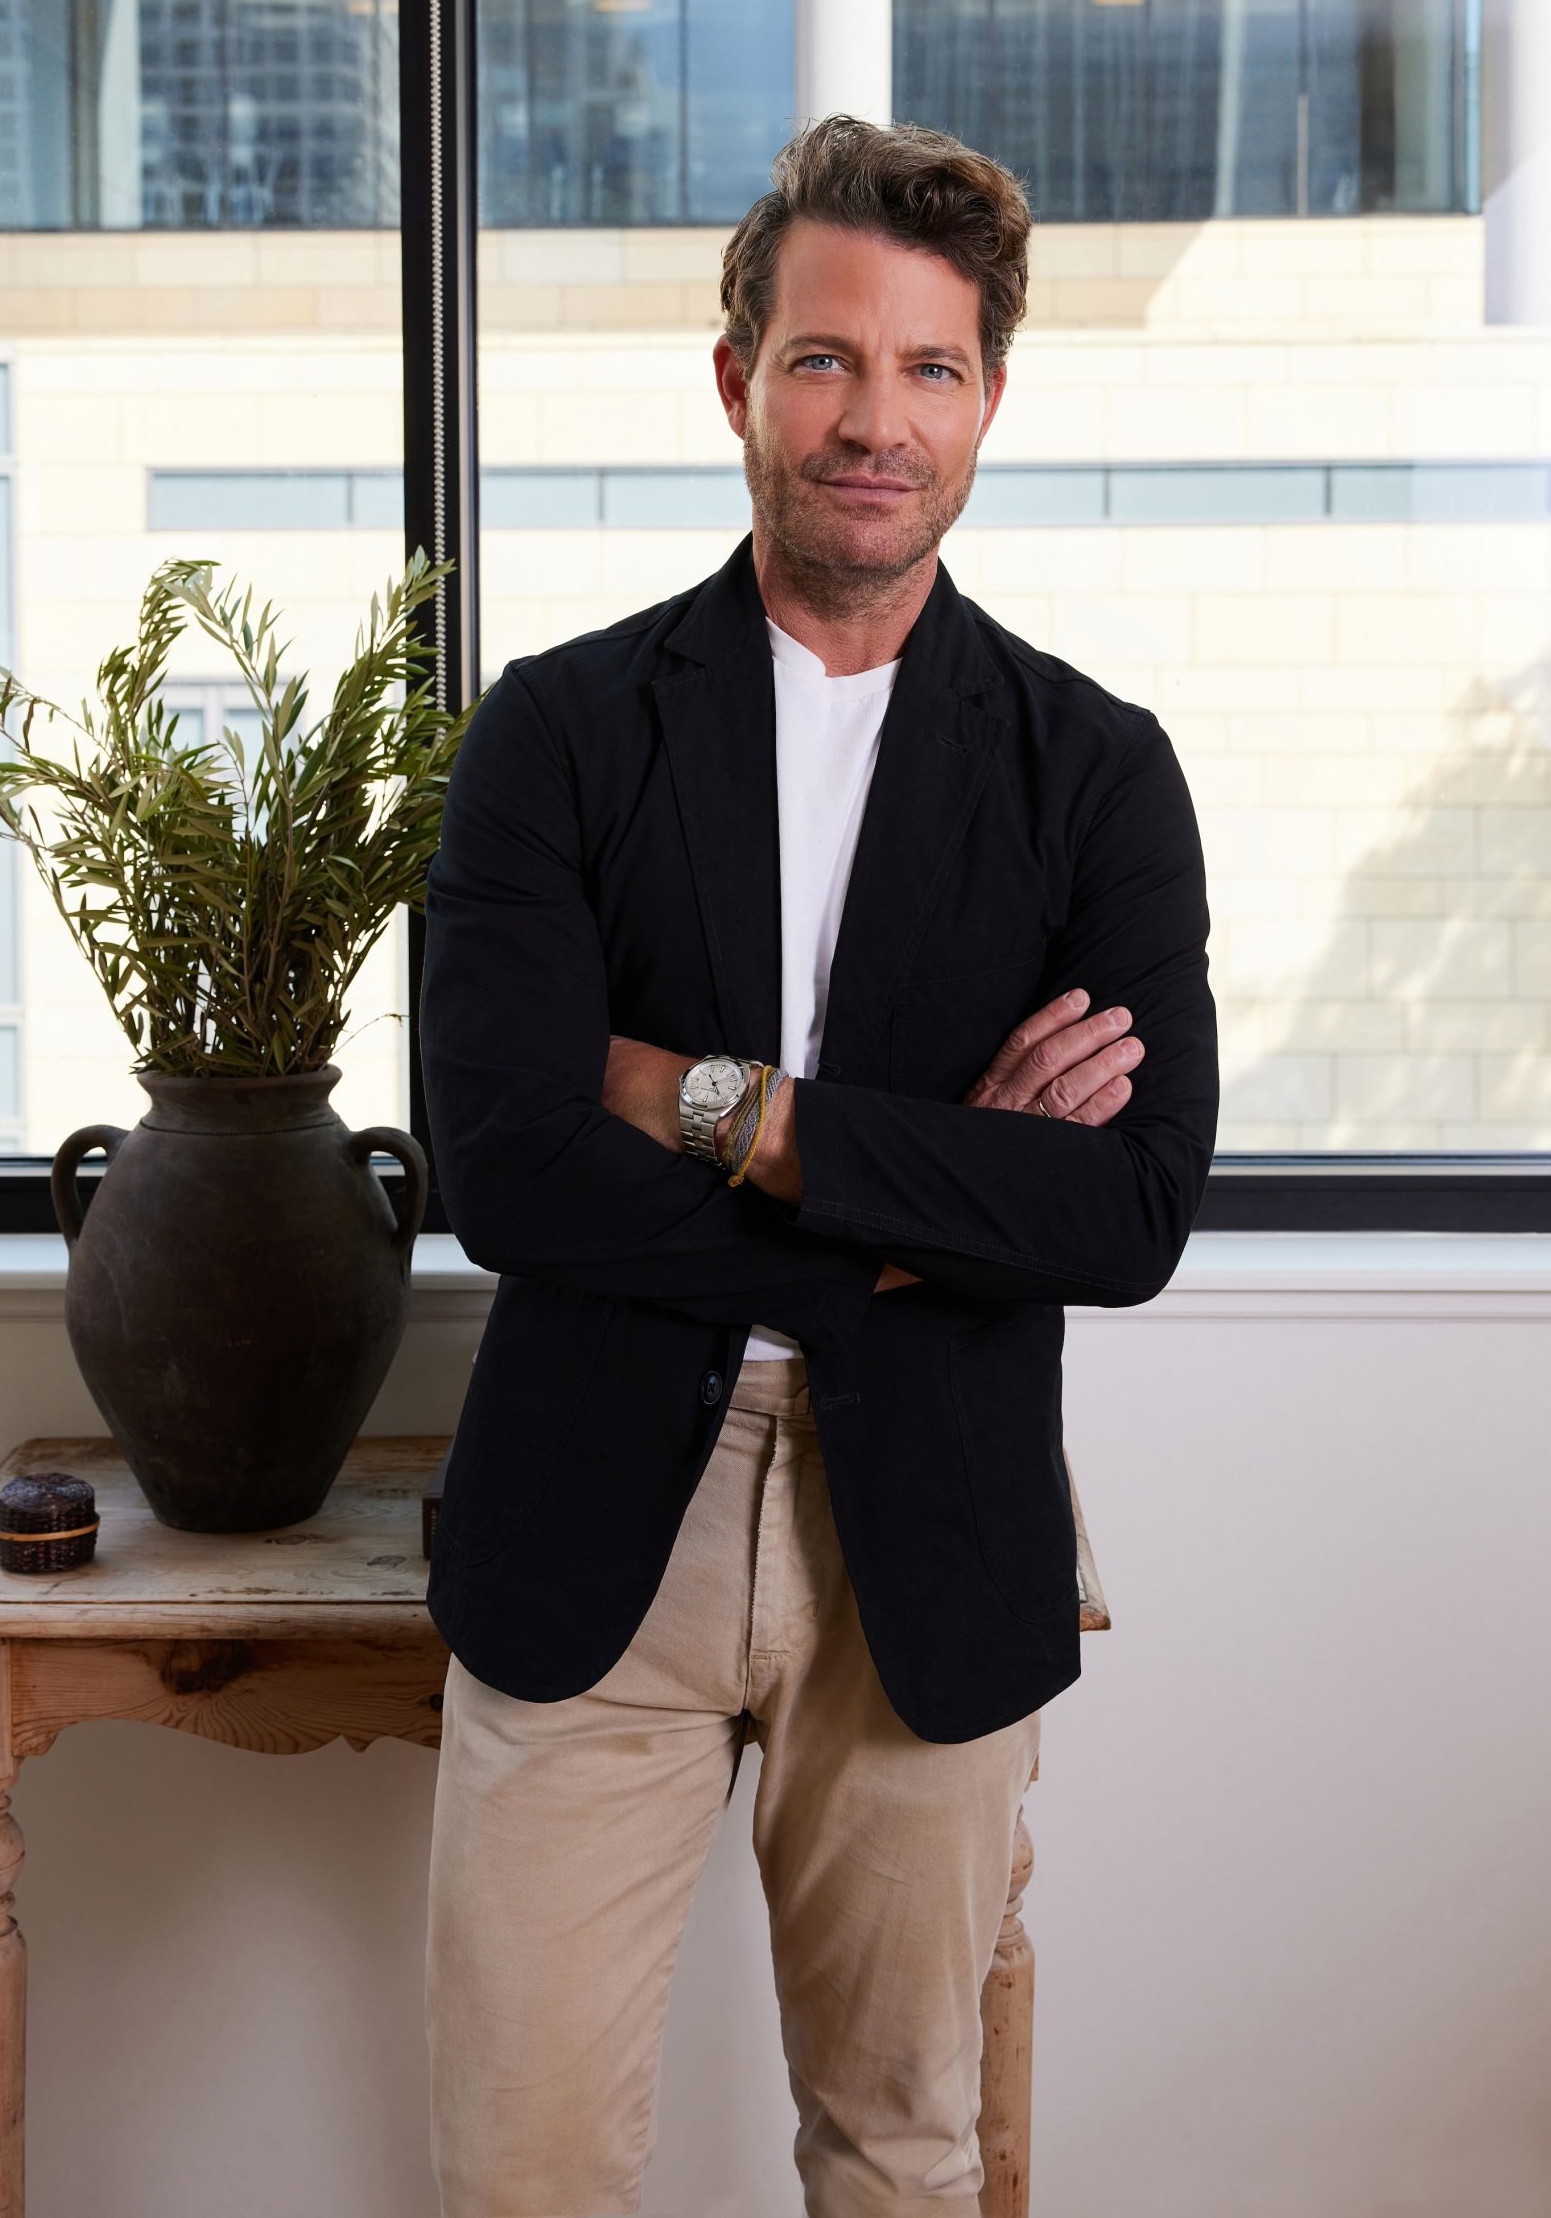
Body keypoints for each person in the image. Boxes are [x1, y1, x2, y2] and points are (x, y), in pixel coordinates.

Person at [419, 113, 1220, 2215]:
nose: (874, 418)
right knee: (521, 2159)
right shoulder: (559, 734)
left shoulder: (1094, 770)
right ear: (736, 381)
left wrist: (739, 1110)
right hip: (599, 1516)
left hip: (932, 1535)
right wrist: (931, 1196)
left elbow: (1126, 1210)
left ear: (985, 402)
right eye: (822, 359)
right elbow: (499, 1158)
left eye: (927, 368)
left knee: (898, 2150)